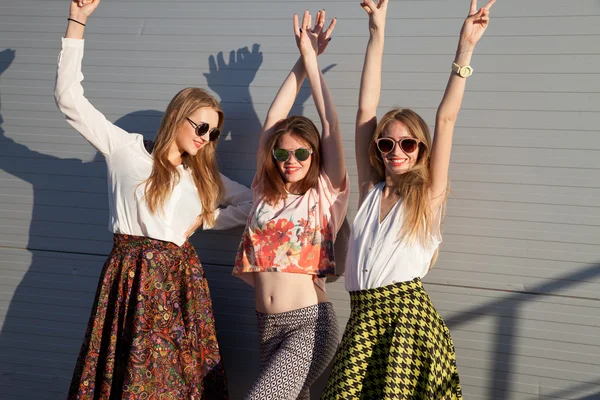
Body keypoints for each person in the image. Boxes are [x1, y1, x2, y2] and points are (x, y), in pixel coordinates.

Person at [56, 1, 253, 398]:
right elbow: (69, 100)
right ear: (177, 116)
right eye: (200, 126)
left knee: (175, 383)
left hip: (180, 285)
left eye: (212, 133)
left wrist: (209, 220)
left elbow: (252, 202)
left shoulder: (203, 177)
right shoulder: (126, 150)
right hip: (130, 279)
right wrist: (77, 22)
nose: (205, 137)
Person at [321, 0, 496, 398]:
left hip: (407, 321)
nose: (396, 150)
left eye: (407, 143)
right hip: (363, 318)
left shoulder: (428, 196)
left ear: (420, 149)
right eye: (387, 142)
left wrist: (464, 48)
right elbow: (366, 108)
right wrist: (376, 32)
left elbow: (446, 118)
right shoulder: (370, 191)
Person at [232, 10, 349, 400]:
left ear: (314, 155)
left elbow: (330, 125)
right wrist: (303, 55)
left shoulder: (325, 194)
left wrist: (313, 66)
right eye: (283, 153)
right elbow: (274, 117)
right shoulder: (264, 192)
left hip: (309, 325)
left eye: (302, 152)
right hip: (266, 327)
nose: (291, 160)